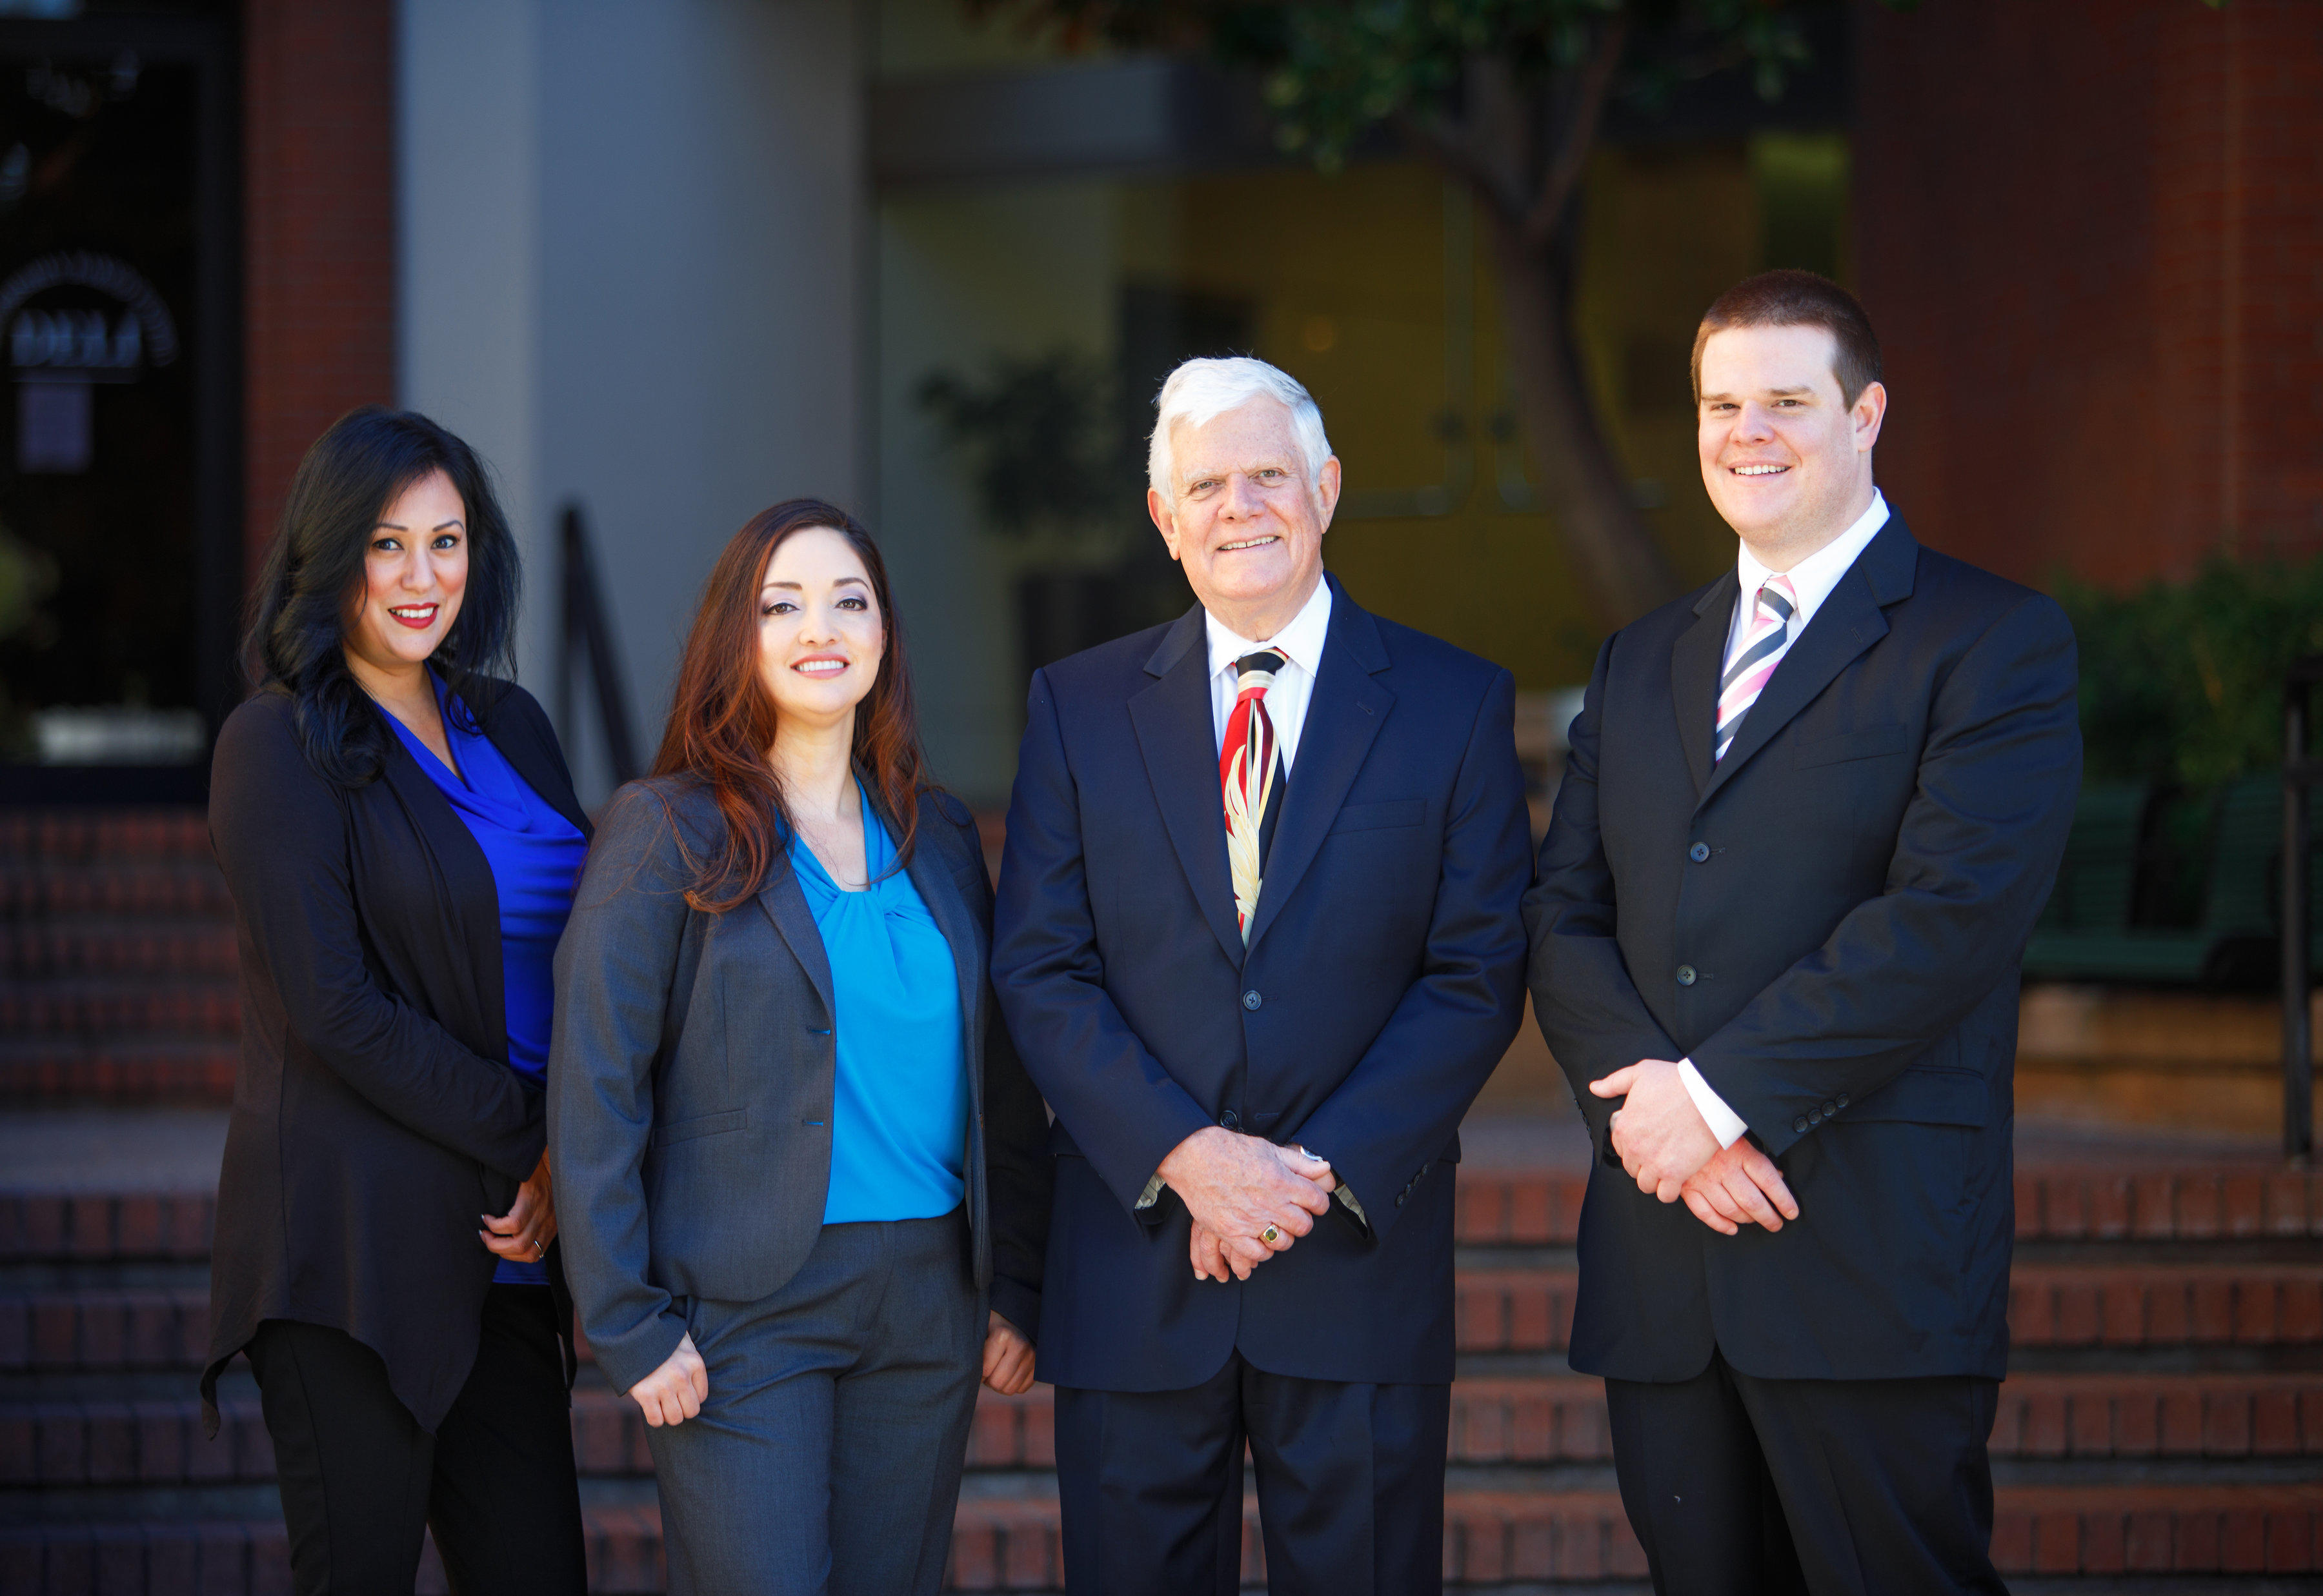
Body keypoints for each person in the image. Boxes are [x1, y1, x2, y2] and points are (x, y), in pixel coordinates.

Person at [1525, 270, 2082, 1595]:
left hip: (1866, 1255)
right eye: (1723, 403)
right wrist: (1660, 1124)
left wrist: (1714, 1100)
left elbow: (1948, 921)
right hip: (1667, 1264)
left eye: (1786, 399)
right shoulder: (1639, 657)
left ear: (1867, 412)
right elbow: (1561, 911)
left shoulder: (1991, 640)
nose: (1747, 432)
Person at [992, 356, 1533, 1595]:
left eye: (1269, 476)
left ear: (1327, 489)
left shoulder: (1453, 704)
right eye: (1209, 484)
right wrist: (1189, 1155)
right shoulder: (1076, 708)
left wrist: (1305, 1177)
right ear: (1164, 518)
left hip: (1354, 1266)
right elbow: (1042, 967)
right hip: (1140, 1270)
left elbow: (1476, 972)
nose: (1242, 506)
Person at [549, 499, 1050, 1596]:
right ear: (741, 634)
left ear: (882, 635)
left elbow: (1001, 1074)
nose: (820, 626)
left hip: (926, 1300)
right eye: (784, 604)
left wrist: (1015, 1277)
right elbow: (596, 1079)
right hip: (743, 1304)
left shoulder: (942, 832)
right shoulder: (669, 827)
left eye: (848, 600)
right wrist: (625, 1317)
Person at [204, 407, 590, 1595]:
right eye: (388, 544)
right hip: (356, 1252)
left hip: (512, 1254)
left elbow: (587, 953)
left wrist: (577, 1160)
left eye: (448, 540)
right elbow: (337, 1007)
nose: (424, 578)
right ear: (332, 556)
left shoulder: (510, 723)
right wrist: (536, 1144)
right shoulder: (277, 745)